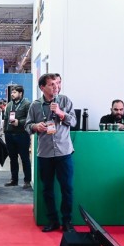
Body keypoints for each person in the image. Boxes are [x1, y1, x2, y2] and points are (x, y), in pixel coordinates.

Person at [25, 73, 75, 232]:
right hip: (45, 154)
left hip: (64, 152)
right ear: (42, 87)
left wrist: (61, 113)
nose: (56, 87)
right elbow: (27, 126)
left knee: (67, 188)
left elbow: (73, 121)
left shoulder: (65, 101)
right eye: (51, 84)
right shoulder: (34, 106)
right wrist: (35, 126)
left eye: (57, 83)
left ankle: (67, 221)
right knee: (47, 189)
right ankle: (53, 221)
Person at [3, 84, 32, 188]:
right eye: (12, 92)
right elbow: (6, 118)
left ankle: (27, 181)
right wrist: (5, 131)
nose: (12, 94)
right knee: (13, 158)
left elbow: (29, 119)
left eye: (14, 92)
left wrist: (19, 122)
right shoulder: (9, 105)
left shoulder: (27, 104)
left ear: (20, 93)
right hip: (9, 135)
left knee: (24, 158)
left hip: (22, 135)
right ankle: (14, 180)